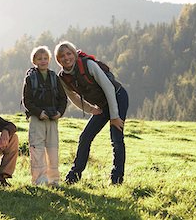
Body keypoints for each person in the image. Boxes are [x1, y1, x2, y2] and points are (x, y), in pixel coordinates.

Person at [54, 41, 129, 185]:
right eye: (62, 56)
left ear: (74, 54)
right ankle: (73, 176)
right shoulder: (63, 77)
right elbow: (73, 97)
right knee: (85, 137)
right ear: (58, 60)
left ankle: (116, 179)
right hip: (101, 105)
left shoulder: (88, 65)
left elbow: (108, 87)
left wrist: (114, 116)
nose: (66, 58)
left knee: (116, 138)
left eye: (69, 53)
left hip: (117, 97)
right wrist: (91, 110)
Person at [22, 46, 67, 186]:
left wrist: (60, 112)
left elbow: (63, 98)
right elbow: (26, 100)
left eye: (46, 58)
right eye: (39, 59)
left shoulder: (54, 77)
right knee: (37, 149)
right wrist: (38, 112)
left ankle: (53, 180)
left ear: (49, 60)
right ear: (34, 61)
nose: (43, 61)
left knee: (53, 149)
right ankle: (39, 179)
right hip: (37, 119)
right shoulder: (30, 78)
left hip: (52, 118)